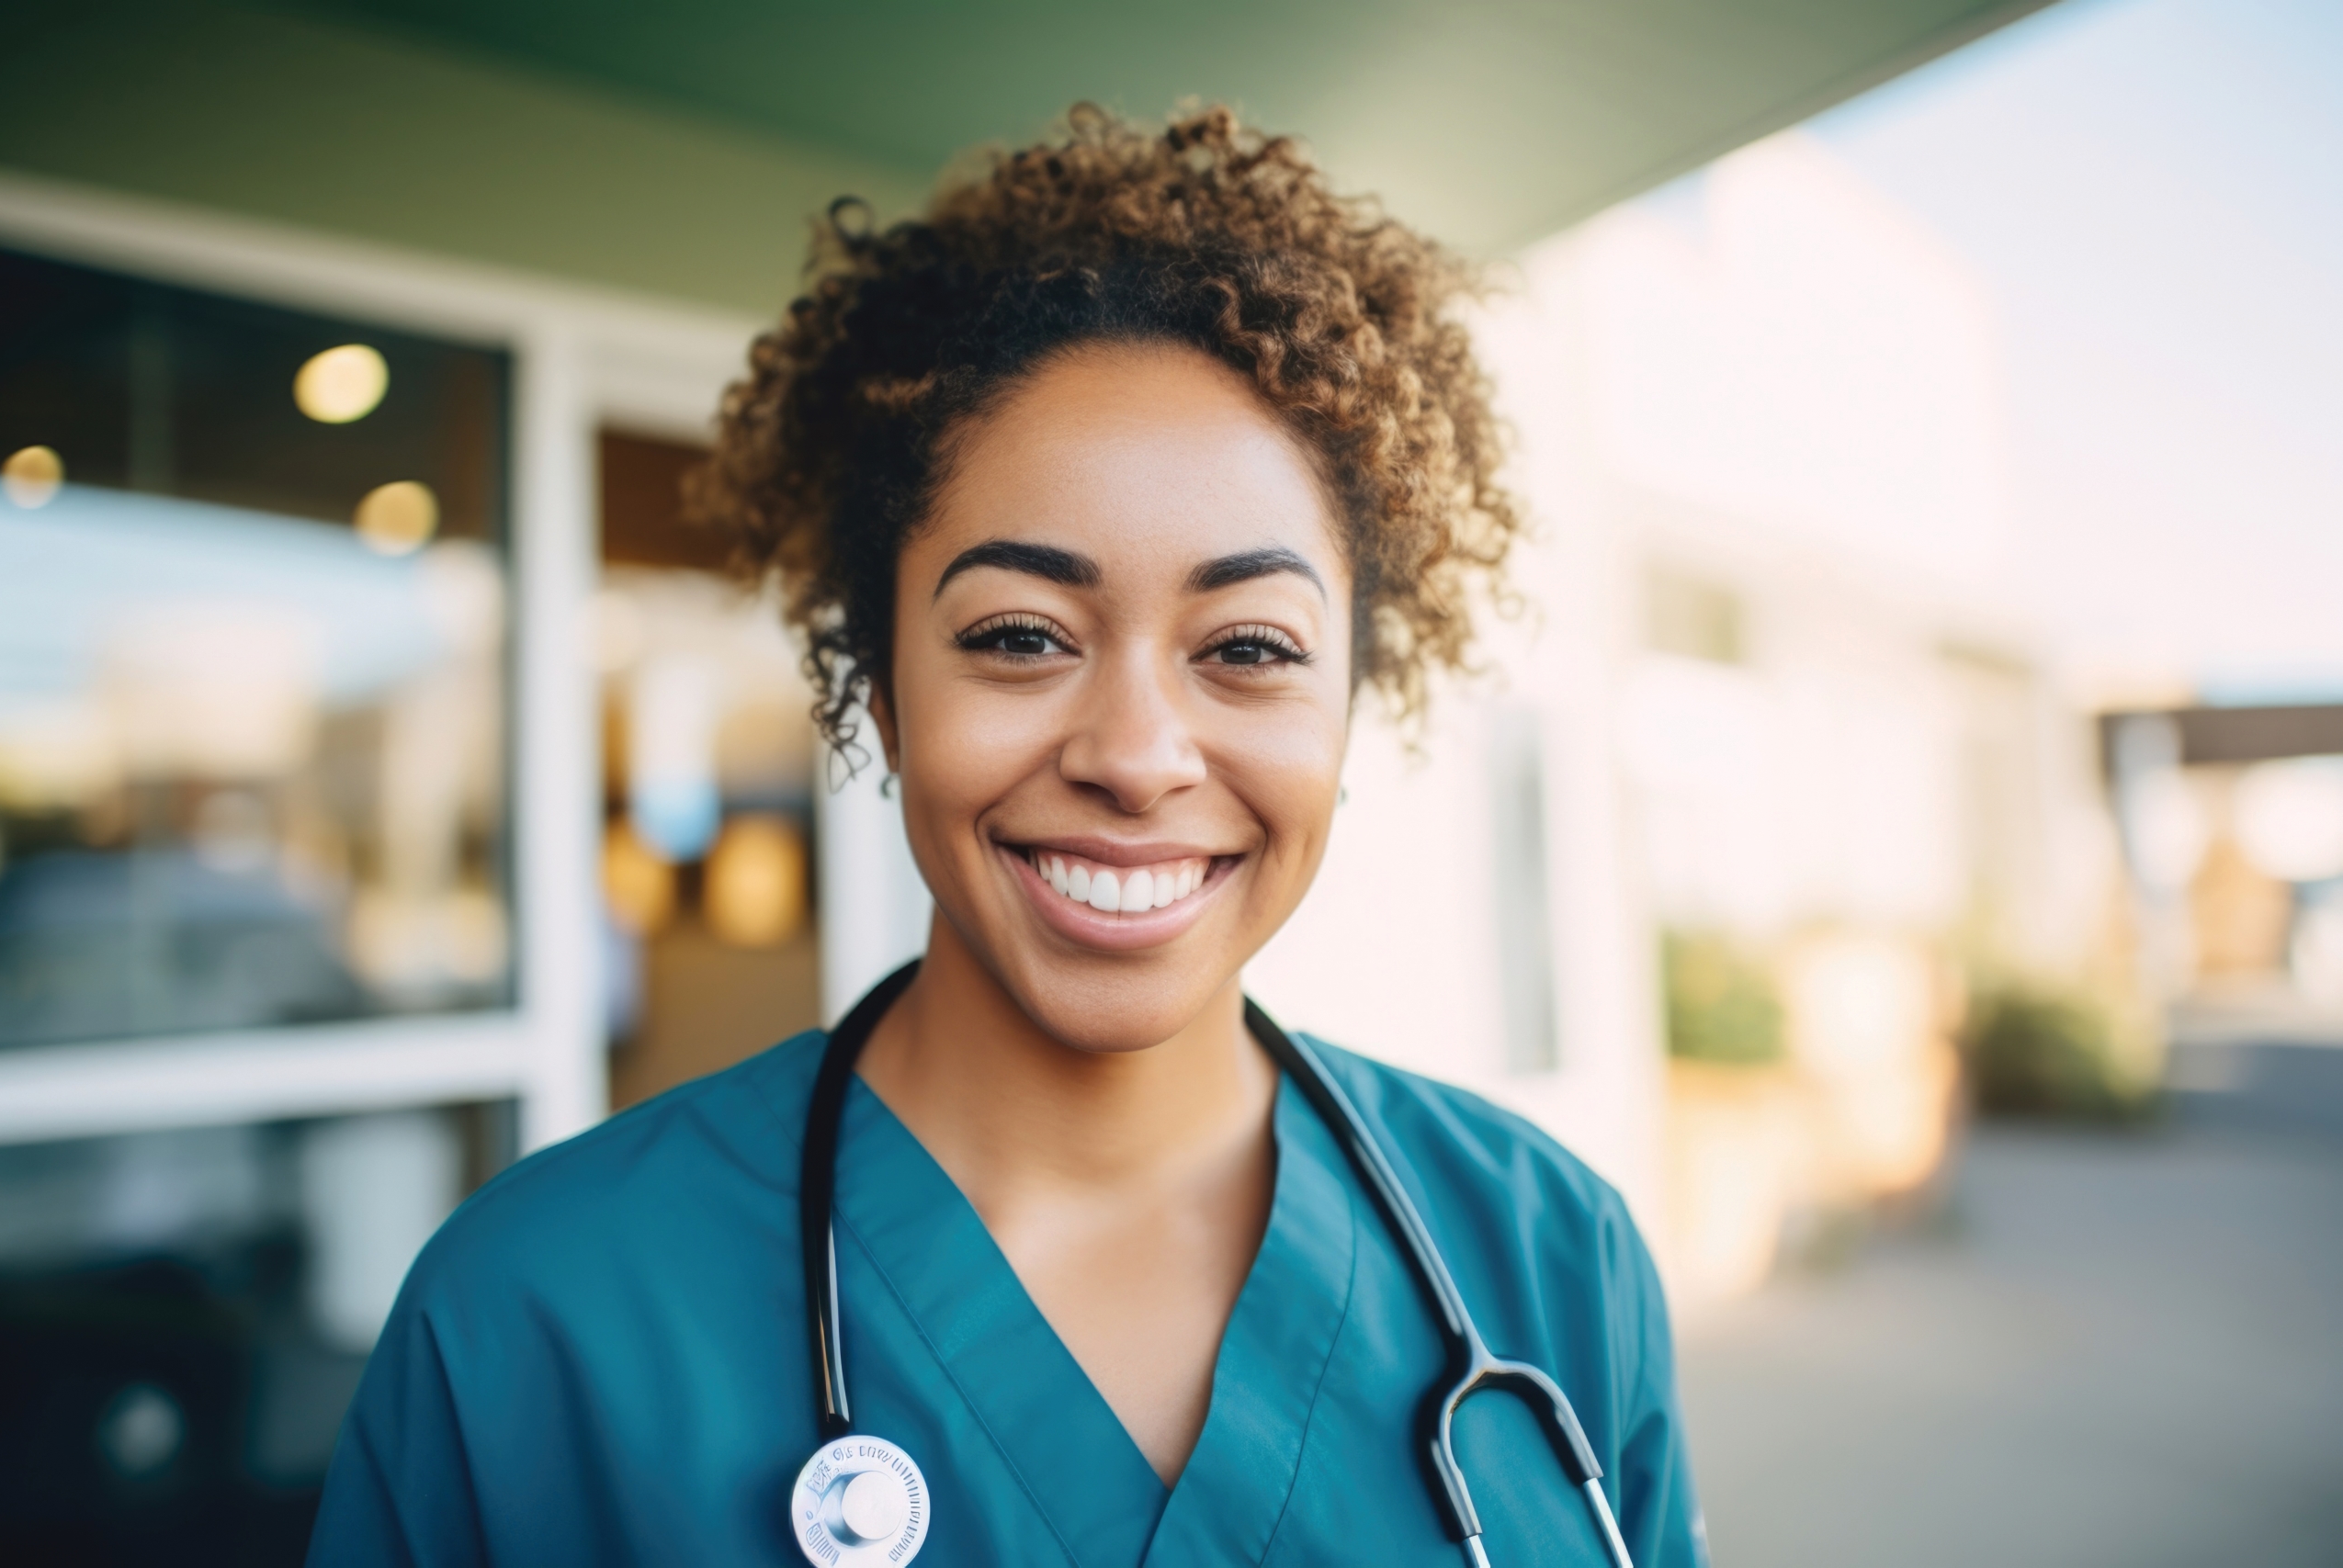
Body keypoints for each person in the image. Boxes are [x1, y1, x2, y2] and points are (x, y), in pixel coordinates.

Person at [306, 105, 1704, 1568]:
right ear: (881, 687)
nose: (1136, 758)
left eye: (1248, 647)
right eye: (1024, 634)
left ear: (1355, 701)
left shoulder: (1554, 1265)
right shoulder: (532, 1324)